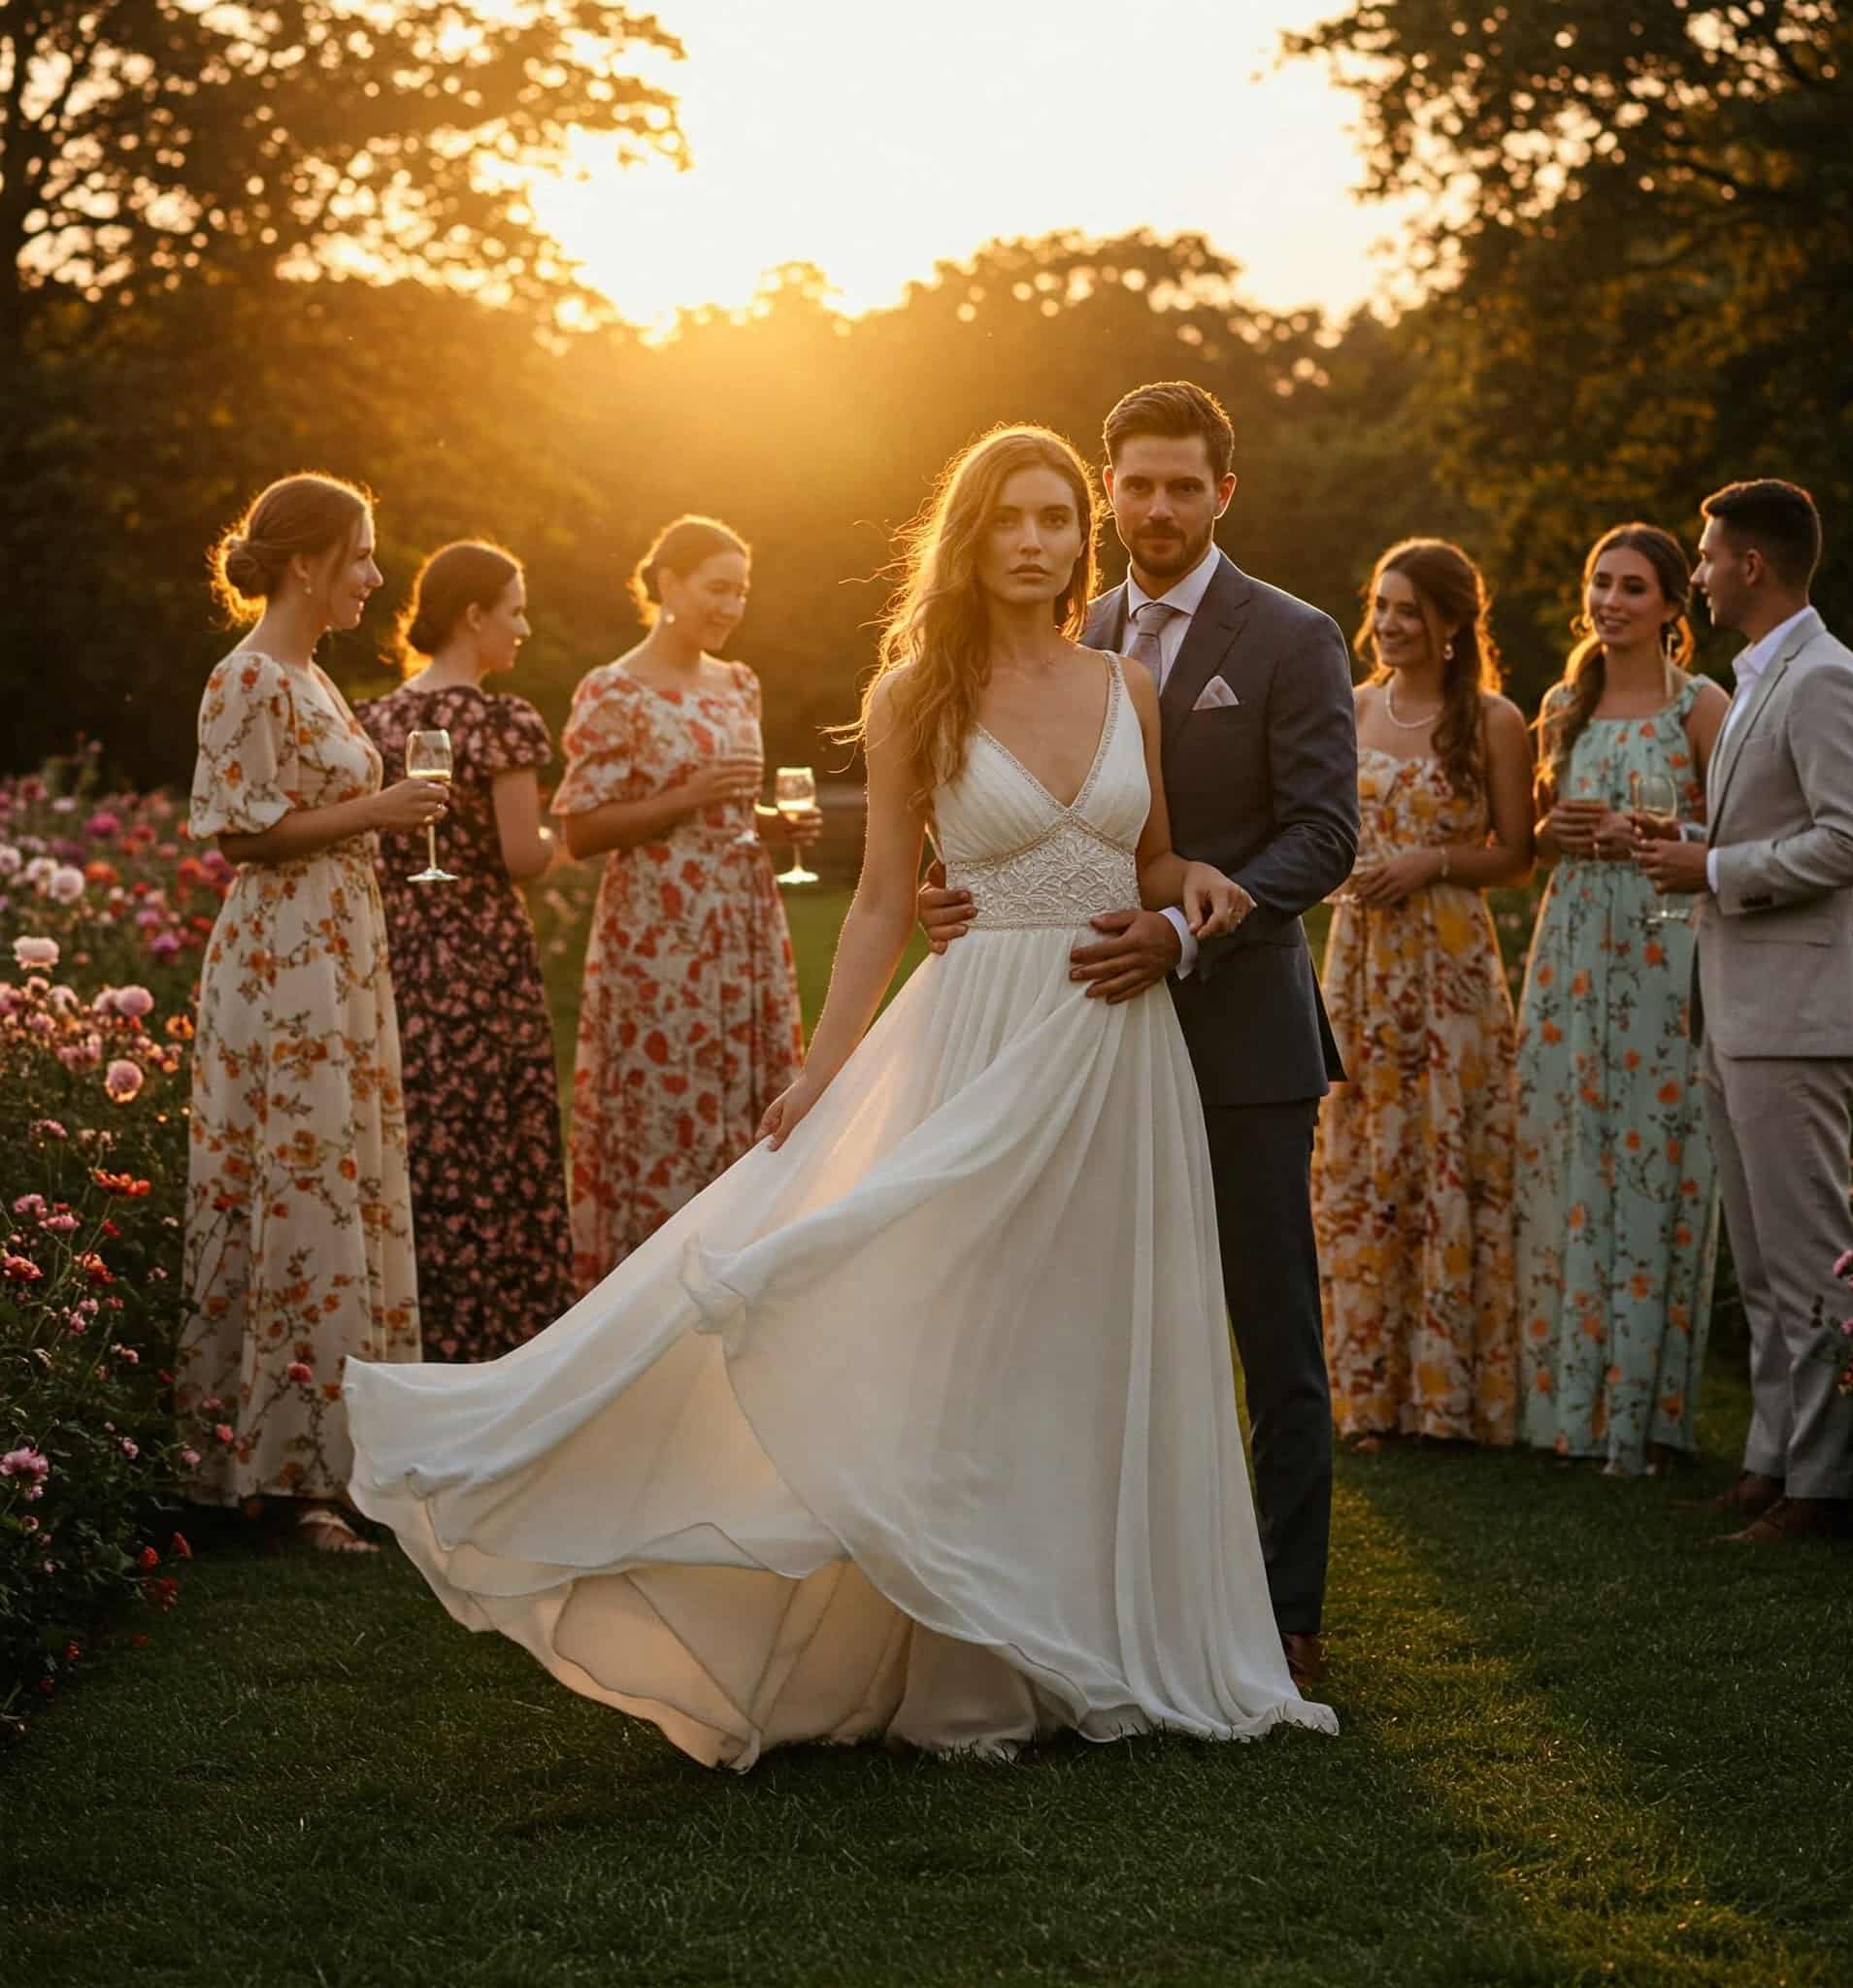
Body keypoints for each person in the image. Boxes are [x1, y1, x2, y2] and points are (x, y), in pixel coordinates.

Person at [344, 424, 1338, 1766]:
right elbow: (877, 901)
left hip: (1120, 1047)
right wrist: (819, 1072)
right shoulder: (913, 690)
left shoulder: (1126, 684)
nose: (1034, 541)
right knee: (966, 1331)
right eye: (1008, 519)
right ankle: (976, 1654)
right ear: (968, 537)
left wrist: (1196, 888)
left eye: (1054, 519)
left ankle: (1098, 1635)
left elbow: (1146, 855)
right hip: (981, 1029)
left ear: (1079, 537)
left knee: (1098, 1335)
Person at [916, 381, 1360, 1688]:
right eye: (1137, 484)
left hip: (1240, 1033)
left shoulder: (1292, 635)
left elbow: (1324, 834)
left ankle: (1283, 1611)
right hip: (1078, 1038)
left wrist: (1182, 929)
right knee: (1085, 1319)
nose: (1157, 507)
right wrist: (956, 889)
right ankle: (1101, 1588)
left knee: (1271, 1328)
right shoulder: (1072, 634)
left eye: (1183, 485)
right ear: (1106, 491)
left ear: (1224, 491)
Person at [178, 473, 445, 1553]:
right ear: (306, 563)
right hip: (282, 958)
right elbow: (239, 835)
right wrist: (378, 810)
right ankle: (285, 1478)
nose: (376, 575)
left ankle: (339, 1457)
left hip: (336, 946)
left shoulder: (315, 677)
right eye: (362, 554)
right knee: (295, 1183)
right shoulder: (245, 677)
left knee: (341, 1182)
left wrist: (370, 820)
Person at [1636, 479, 1853, 1543]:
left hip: (1797, 1012)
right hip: (1740, 1007)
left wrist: (1713, 867)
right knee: (1767, 1264)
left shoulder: (1824, 677)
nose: (1694, 572)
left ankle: (1825, 1488)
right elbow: (1774, 832)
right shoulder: (1759, 675)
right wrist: (1691, 846)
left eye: (1704, 556)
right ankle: (1771, 1464)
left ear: (1749, 563)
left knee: (1810, 1256)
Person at [552, 516, 821, 1292]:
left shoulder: (740, 683)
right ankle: (656, 1287)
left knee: (749, 1098)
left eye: (741, 591)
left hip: (741, 917)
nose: (731, 606)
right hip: (659, 934)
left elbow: (730, 810)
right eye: (717, 588)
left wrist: (775, 824)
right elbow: (580, 829)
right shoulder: (612, 690)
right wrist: (687, 797)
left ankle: (741, 1272)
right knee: (669, 1103)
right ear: (668, 584)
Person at [1516, 525, 1729, 1474]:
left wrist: (1645, 830)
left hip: (1660, 945)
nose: (1609, 600)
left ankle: (1647, 1411)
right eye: (1599, 582)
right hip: (1569, 948)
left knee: (1653, 1160)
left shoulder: (1701, 706)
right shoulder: (1564, 702)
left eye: (1632, 586)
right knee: (1569, 1153)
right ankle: (1563, 1404)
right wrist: (1556, 832)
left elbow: (1734, 838)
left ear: (1673, 605)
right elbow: (1535, 837)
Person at [1313, 540, 1534, 1447]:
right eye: (1381, 605)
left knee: (1446, 1151)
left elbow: (1516, 855)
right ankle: (1367, 1394)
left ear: (1451, 622)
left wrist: (1432, 861)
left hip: (1448, 966)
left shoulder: (1494, 720)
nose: (1390, 624)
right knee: (1365, 1159)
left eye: (1409, 609)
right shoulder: (1352, 707)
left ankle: (1448, 1396)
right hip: (1361, 962)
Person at [358, 541, 576, 1361]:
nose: (524, 628)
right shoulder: (501, 722)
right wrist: (558, 841)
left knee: (419, 1134)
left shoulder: (372, 719)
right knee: (494, 1142)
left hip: (399, 950)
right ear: (474, 615)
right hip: (481, 958)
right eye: (515, 611)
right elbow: (521, 856)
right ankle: (502, 1334)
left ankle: (419, 1322)